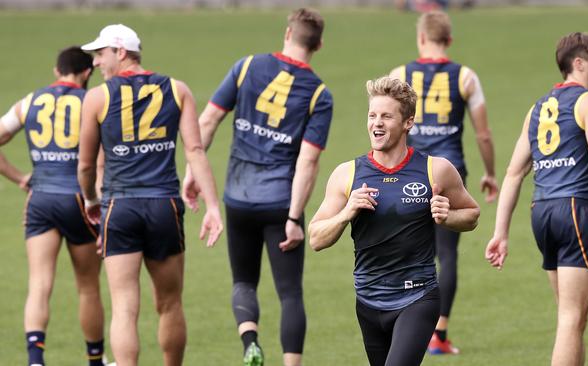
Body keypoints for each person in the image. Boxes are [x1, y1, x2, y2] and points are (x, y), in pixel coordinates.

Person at [485, 32, 588, 366]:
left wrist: (500, 233)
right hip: (577, 210)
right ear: (579, 63)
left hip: (542, 213)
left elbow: (515, 172)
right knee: (571, 319)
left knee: (572, 320)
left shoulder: (538, 108)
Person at [182, 8, 333, 366]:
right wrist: (295, 218)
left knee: (244, 282)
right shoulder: (318, 94)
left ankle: (250, 341)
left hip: (238, 199)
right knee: (290, 293)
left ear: (286, 33)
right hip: (281, 203)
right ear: (319, 45)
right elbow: (307, 162)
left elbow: (208, 120)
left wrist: (193, 171)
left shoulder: (247, 67)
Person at [77, 24, 223, 366]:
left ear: (121, 52)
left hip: (120, 207)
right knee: (170, 303)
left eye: (101, 54)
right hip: (164, 208)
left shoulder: (98, 97)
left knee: (125, 306)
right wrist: (213, 207)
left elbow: (85, 166)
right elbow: (196, 151)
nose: (96, 63)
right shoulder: (177, 89)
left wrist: (90, 201)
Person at [308, 76, 479, 366]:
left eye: (386, 116)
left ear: (408, 123)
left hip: (418, 297)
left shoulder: (435, 170)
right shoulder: (347, 175)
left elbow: (472, 214)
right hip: (368, 301)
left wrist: (446, 216)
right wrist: (345, 214)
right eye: (372, 115)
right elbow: (315, 238)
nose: (377, 123)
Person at [388, 10, 498, 354]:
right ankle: (439, 334)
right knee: (446, 255)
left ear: (421, 38)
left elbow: (387, 125)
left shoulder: (400, 74)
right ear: (449, 40)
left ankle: (395, 323)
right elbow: (482, 134)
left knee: (401, 248)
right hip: (448, 172)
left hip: (406, 171)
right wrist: (490, 173)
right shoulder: (465, 77)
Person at [0, 47, 107, 366]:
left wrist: (20, 178)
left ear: (56, 70)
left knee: (39, 283)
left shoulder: (30, 101)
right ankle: (95, 361)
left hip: (41, 200)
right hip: (79, 201)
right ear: (87, 73)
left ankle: (35, 361)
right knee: (88, 287)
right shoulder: (90, 101)